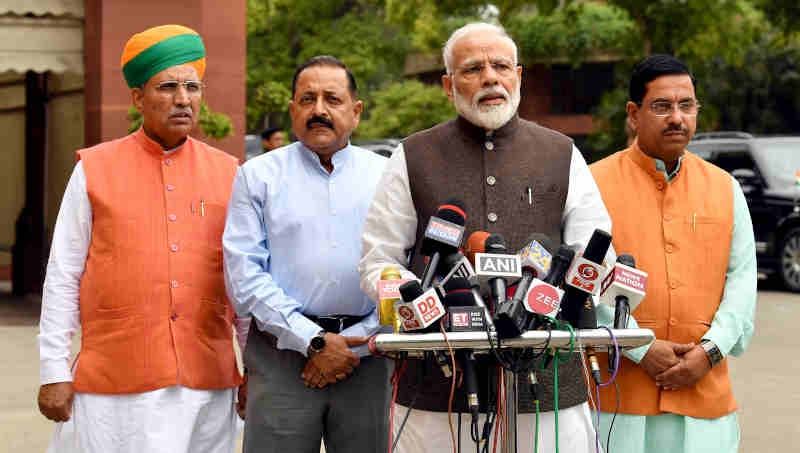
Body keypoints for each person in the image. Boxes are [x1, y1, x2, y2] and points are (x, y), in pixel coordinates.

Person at [359, 22, 612, 453]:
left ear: (519, 76)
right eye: (473, 68)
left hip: (546, 381)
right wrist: (411, 300)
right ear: (447, 84)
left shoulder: (561, 152)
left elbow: (595, 256)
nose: (490, 77)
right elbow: (377, 260)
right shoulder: (412, 156)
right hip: (439, 385)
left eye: (500, 66)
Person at [36, 25, 249, 453]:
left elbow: (243, 281)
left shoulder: (229, 173)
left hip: (206, 382)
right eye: (168, 87)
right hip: (114, 387)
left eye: (192, 87)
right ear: (138, 98)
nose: (183, 99)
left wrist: (254, 369)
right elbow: (63, 273)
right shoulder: (94, 170)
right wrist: (52, 370)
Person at [223, 55, 391, 453]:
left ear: (356, 111)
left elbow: (401, 271)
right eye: (307, 99)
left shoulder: (387, 176)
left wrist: (355, 342)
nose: (319, 110)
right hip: (282, 358)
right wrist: (313, 341)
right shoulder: (256, 176)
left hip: (366, 358)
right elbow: (243, 275)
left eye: (332, 99)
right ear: (293, 109)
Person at [589, 54, 757, 452]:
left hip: (705, 398)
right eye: (662, 106)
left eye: (687, 106)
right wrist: (639, 347)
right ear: (634, 114)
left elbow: (742, 281)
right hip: (619, 400)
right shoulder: (592, 185)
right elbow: (583, 281)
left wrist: (710, 352)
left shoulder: (724, 188)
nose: (677, 118)